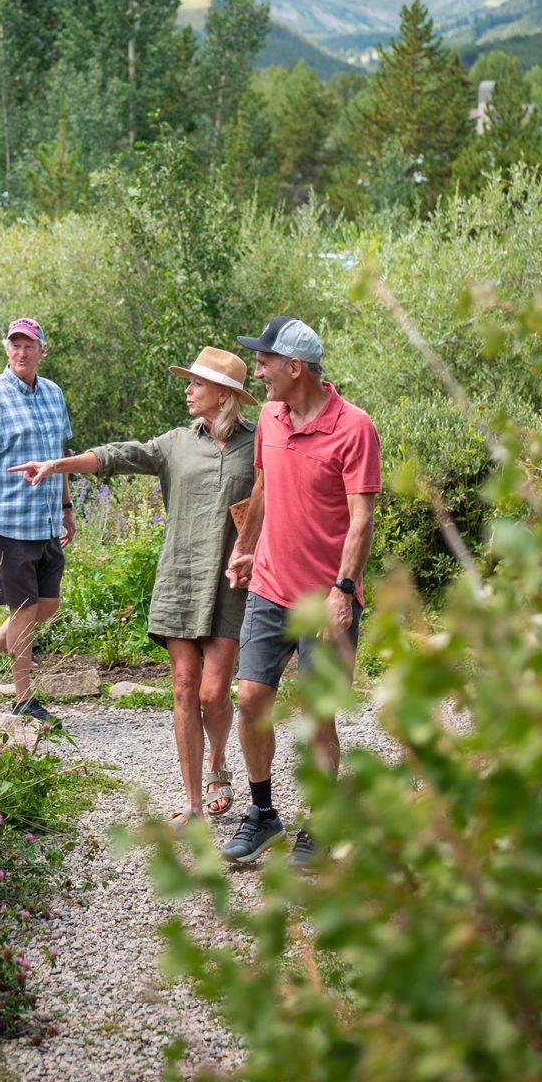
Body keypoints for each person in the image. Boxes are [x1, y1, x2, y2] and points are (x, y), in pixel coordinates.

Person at [11, 347, 257, 824]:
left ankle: (218, 761)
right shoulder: (175, 443)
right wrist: (55, 466)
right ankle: (191, 803)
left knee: (213, 693)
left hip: (231, 582)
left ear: (224, 395)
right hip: (180, 577)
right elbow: (117, 456)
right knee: (184, 689)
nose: (188, 390)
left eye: (197, 384)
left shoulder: (258, 443)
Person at [222, 317, 381, 866]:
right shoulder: (269, 415)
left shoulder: (355, 427)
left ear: (295, 367)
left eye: (264, 361)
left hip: (326, 598)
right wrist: (244, 548)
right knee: (249, 698)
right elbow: (262, 488)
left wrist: (343, 590)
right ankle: (262, 816)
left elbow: (361, 521)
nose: (258, 370)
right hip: (269, 586)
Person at [0, 318, 76, 725]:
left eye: (29, 345)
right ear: (6, 349)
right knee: (24, 609)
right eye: (15, 345)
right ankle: (24, 701)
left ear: (42, 350)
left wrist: (66, 507)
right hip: (4, 523)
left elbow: (57, 454)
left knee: (47, 604)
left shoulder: (54, 394)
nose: (21, 352)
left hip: (43, 522)